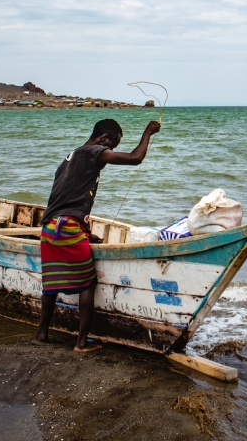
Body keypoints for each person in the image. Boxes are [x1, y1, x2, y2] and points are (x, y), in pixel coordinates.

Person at [34, 118, 161, 352]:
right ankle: (81, 343)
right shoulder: (94, 151)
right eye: (111, 146)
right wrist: (148, 133)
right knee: (87, 284)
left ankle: (41, 335)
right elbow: (135, 158)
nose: (109, 152)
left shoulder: (71, 157)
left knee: (50, 285)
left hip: (50, 227)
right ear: (104, 139)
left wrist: (87, 232)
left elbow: (65, 198)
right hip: (68, 227)